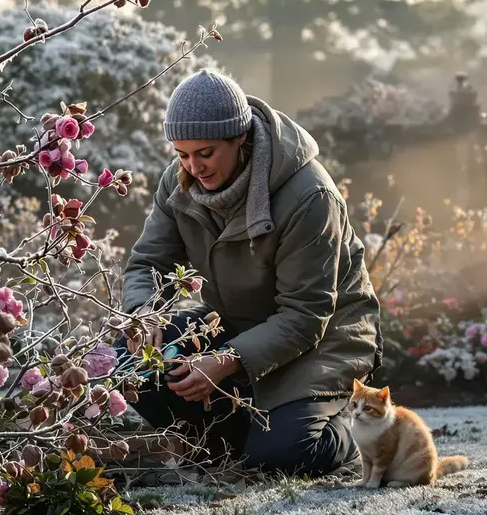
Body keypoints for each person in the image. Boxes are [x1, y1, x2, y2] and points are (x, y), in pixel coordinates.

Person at [118, 69, 382, 477]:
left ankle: (352, 424)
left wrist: (227, 359)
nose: (194, 167)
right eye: (182, 154)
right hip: (235, 328)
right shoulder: (178, 181)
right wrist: (144, 312)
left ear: (240, 137)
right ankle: (233, 440)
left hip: (324, 340)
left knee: (286, 455)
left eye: (205, 153)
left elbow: (305, 316)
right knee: (129, 359)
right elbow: (148, 264)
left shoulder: (310, 195)